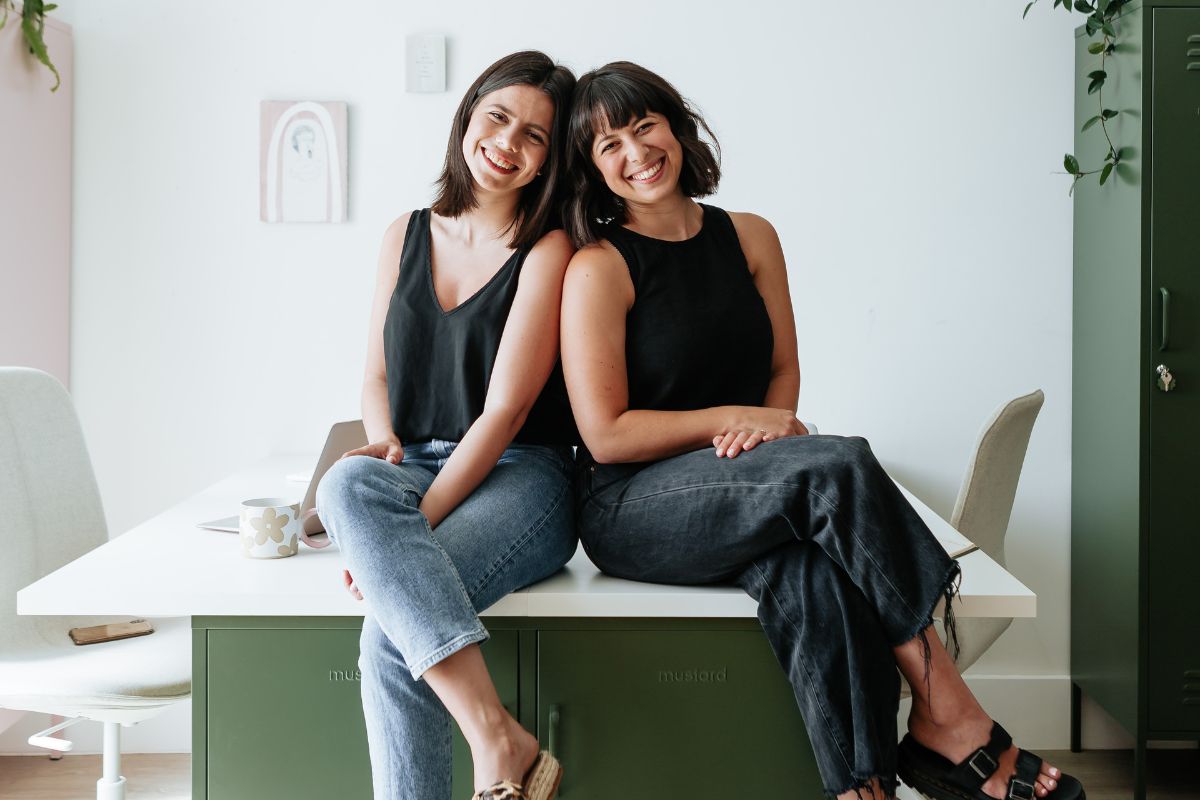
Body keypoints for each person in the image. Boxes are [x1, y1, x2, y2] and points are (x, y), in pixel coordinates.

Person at [558, 61, 1084, 800]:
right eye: (607, 143)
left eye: (644, 126)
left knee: (815, 577)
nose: (634, 151)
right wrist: (740, 422)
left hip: (752, 478)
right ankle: (951, 714)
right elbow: (607, 433)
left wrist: (768, 436)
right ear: (591, 168)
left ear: (677, 128)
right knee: (838, 464)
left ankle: (862, 789)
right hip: (633, 505)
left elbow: (781, 371)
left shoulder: (750, 237)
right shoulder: (599, 267)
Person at [315, 51, 577, 800]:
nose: (508, 142)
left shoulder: (547, 247)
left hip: (522, 475)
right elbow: (375, 375)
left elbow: (506, 412)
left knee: (393, 637)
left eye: (535, 136)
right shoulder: (405, 231)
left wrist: (405, 538)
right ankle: (499, 736)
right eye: (498, 117)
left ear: (547, 160)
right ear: (467, 117)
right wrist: (385, 439)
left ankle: (500, 741)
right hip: (417, 465)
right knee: (347, 478)